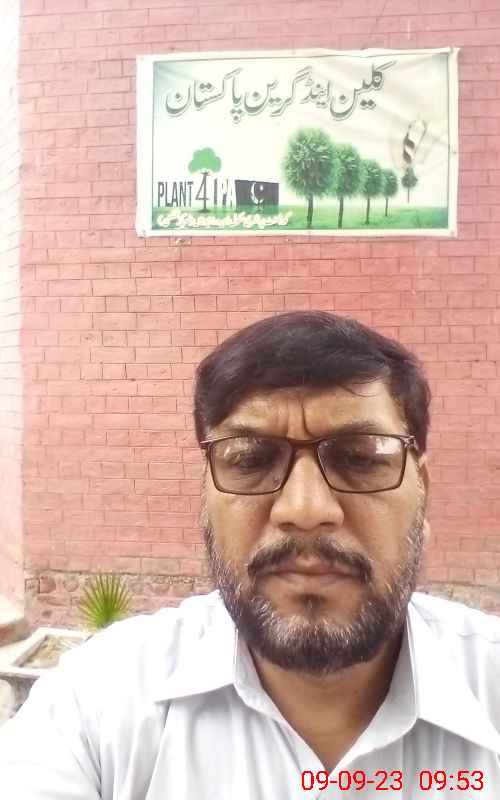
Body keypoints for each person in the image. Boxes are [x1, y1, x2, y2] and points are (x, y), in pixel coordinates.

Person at [1, 310, 499, 799]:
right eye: (250, 459)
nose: (305, 510)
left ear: (422, 490)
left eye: (361, 458)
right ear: (205, 495)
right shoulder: (94, 706)